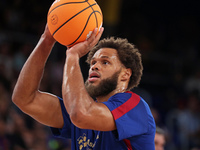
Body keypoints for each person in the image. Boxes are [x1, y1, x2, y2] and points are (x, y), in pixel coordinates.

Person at [12, 24, 156, 150]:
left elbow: (81, 114)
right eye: (93, 63)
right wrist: (46, 40)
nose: (95, 66)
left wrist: (72, 56)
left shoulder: (135, 106)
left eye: (105, 62)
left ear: (125, 74)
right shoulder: (81, 108)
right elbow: (24, 99)